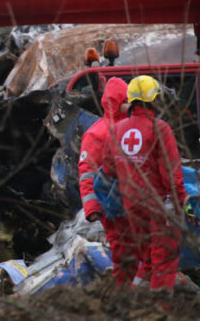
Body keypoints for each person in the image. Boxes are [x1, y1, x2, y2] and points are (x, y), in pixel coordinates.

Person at [104, 75, 188, 293]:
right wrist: (181, 205)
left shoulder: (116, 130)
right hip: (158, 206)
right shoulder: (160, 128)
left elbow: (108, 169)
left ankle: (132, 300)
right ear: (154, 100)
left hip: (132, 206)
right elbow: (172, 174)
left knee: (149, 258)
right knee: (164, 260)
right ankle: (158, 312)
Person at [77, 77, 135, 285]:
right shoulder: (97, 134)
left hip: (137, 204)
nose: (129, 103)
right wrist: (92, 208)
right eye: (125, 99)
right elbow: (87, 172)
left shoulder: (135, 127)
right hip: (113, 206)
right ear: (114, 101)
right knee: (123, 253)